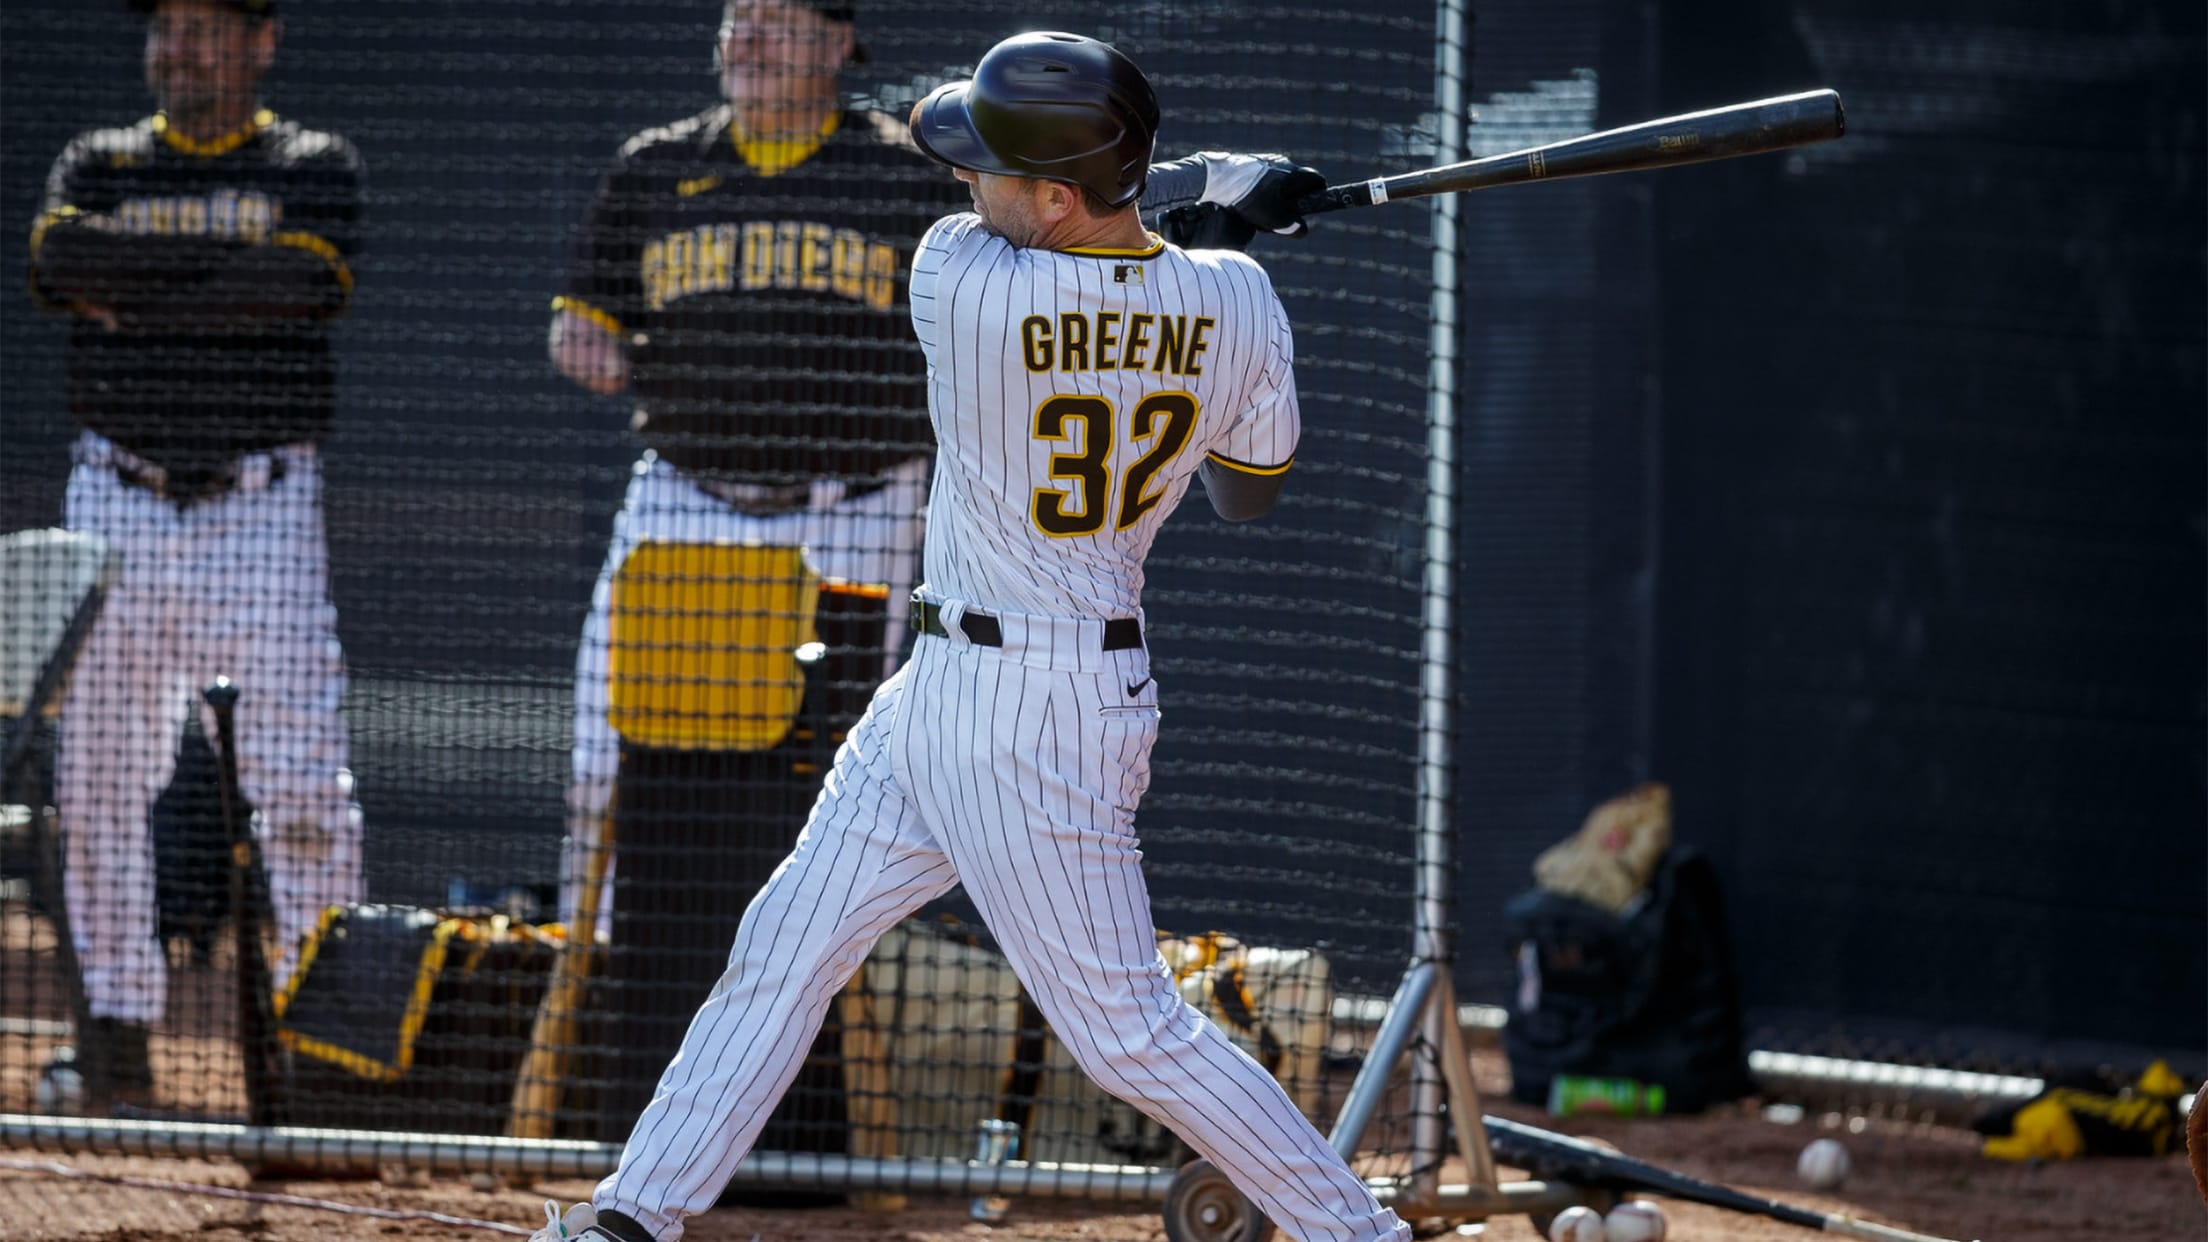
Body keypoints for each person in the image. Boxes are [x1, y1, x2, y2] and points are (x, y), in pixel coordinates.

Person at [531, 30, 1411, 1242]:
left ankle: (1354, 1233)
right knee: (785, 945)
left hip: (1029, 718)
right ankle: (635, 1216)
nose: (962, 184)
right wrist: (1218, 252)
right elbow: (1242, 490)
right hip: (955, 684)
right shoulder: (1241, 301)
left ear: (1052, 195)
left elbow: (1097, 239)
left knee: (1127, 1034)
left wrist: (1209, 205)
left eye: (989, 168)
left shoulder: (958, 278)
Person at [26, 0, 365, 1110]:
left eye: (208, 27)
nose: (181, 48)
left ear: (263, 40)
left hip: (257, 504)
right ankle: (117, 1039)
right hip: (113, 495)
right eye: (165, 28)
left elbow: (300, 288)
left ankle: (323, 1057)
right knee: (100, 783)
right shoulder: (101, 157)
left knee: (299, 786)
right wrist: (226, 275)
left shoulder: (308, 161)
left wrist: (138, 290)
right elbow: (56, 259)